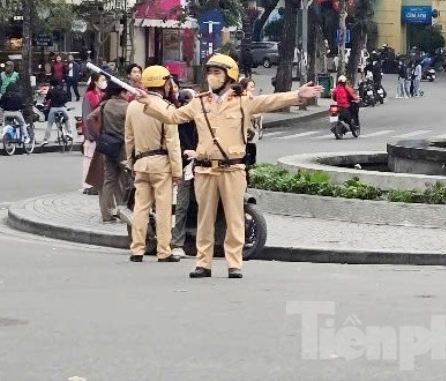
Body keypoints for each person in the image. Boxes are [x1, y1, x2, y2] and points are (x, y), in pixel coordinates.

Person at [136, 54, 322, 279]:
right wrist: (149, 103)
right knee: (205, 218)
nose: (212, 77)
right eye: (210, 73)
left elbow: (270, 101)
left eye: (217, 73)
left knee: (235, 217)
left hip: (233, 169)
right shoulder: (199, 102)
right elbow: (172, 116)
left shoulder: (243, 101)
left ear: (229, 76)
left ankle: (234, 262)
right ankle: (203, 263)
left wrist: (296, 95)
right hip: (205, 169)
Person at [125, 66, 183, 263]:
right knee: (163, 208)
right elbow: (173, 143)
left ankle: (137, 249)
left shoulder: (132, 106)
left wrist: (131, 162)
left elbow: (129, 139)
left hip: (141, 161)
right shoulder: (166, 108)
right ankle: (163, 250)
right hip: (161, 163)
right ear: (163, 83)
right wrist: (177, 170)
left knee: (141, 207)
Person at [170, 88, 199, 258]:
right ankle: (177, 242)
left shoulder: (202, 119)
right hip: (185, 166)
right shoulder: (177, 122)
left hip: (204, 166)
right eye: (187, 102)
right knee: (182, 205)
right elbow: (173, 145)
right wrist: (185, 153)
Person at [98, 81, 131, 223]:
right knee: (129, 181)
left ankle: (106, 214)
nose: (128, 95)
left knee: (109, 181)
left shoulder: (105, 105)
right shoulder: (128, 107)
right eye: (126, 92)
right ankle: (126, 211)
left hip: (108, 146)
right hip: (124, 148)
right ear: (121, 92)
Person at [81, 75, 106, 196]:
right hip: (91, 131)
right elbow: (85, 115)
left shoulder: (102, 95)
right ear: (96, 82)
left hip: (101, 131)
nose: (104, 82)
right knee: (88, 159)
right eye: (102, 80)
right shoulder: (89, 95)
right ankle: (87, 185)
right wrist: (88, 133)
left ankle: (96, 184)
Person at [40, 78, 74, 145]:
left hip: (53, 108)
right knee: (67, 119)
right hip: (62, 108)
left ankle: (46, 139)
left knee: (49, 124)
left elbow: (46, 99)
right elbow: (67, 99)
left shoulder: (51, 91)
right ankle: (69, 133)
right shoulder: (63, 91)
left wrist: (44, 104)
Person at [0, 61, 20, 126]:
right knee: (1, 107)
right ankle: (0, 121)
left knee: (13, 107)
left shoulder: (16, 75)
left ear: (12, 67)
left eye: (9, 66)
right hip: (3, 93)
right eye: (6, 66)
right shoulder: (2, 74)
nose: (7, 68)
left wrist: (17, 92)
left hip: (13, 94)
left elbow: (18, 84)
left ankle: (14, 120)